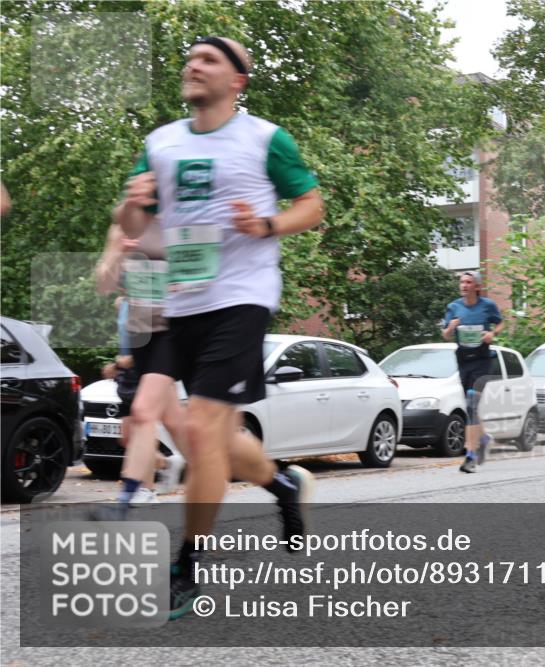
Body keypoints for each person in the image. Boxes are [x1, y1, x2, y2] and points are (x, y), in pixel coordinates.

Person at [115, 37, 325, 619]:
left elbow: (311, 205)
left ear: (238, 81)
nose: (192, 65)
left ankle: (189, 561)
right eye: (189, 58)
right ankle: (282, 485)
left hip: (240, 298)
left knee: (205, 430)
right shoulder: (160, 143)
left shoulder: (264, 139)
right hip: (176, 304)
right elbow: (133, 222)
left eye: (208, 60)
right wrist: (131, 207)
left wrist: (266, 223)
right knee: (211, 436)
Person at [94, 223, 185, 511]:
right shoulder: (126, 303)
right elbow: (103, 283)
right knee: (145, 430)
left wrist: (125, 361)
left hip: (163, 347)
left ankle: (139, 491)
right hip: (136, 362)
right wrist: (115, 252)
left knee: (141, 420)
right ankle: (275, 479)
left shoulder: (176, 220)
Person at [441, 271, 504, 473]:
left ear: (477, 286)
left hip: (482, 360)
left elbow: (501, 322)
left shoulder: (487, 306)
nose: (464, 285)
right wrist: (450, 328)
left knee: (471, 403)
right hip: (463, 360)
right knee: (472, 408)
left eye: (469, 282)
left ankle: (470, 456)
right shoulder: (453, 307)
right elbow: (445, 335)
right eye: (462, 282)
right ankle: (484, 438)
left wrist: (492, 333)